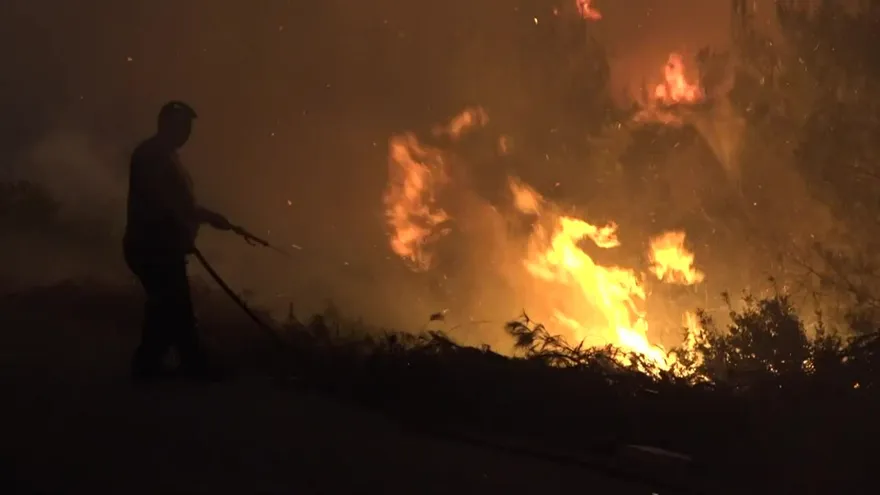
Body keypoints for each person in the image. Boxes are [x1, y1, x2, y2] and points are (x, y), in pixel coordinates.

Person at [123, 101, 232, 382]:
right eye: (183, 126)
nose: (187, 133)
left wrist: (207, 217)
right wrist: (186, 226)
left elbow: (180, 204)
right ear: (166, 125)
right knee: (172, 305)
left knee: (172, 306)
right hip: (152, 246)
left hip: (161, 246)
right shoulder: (152, 156)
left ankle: (185, 364)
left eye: (189, 128)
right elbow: (161, 203)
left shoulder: (165, 156)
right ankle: (160, 367)